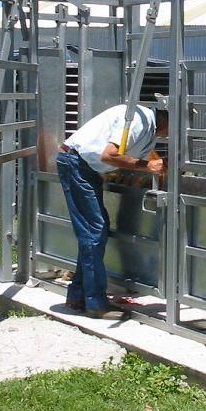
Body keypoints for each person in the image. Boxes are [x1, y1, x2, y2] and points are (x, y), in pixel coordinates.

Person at [56, 104, 168, 320]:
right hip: (77, 164)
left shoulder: (149, 130)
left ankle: (78, 294)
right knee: (95, 230)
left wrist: (152, 166)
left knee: (96, 229)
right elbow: (109, 156)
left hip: (86, 167)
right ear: (166, 119)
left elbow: (130, 158)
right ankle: (96, 303)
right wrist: (147, 167)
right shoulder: (138, 120)